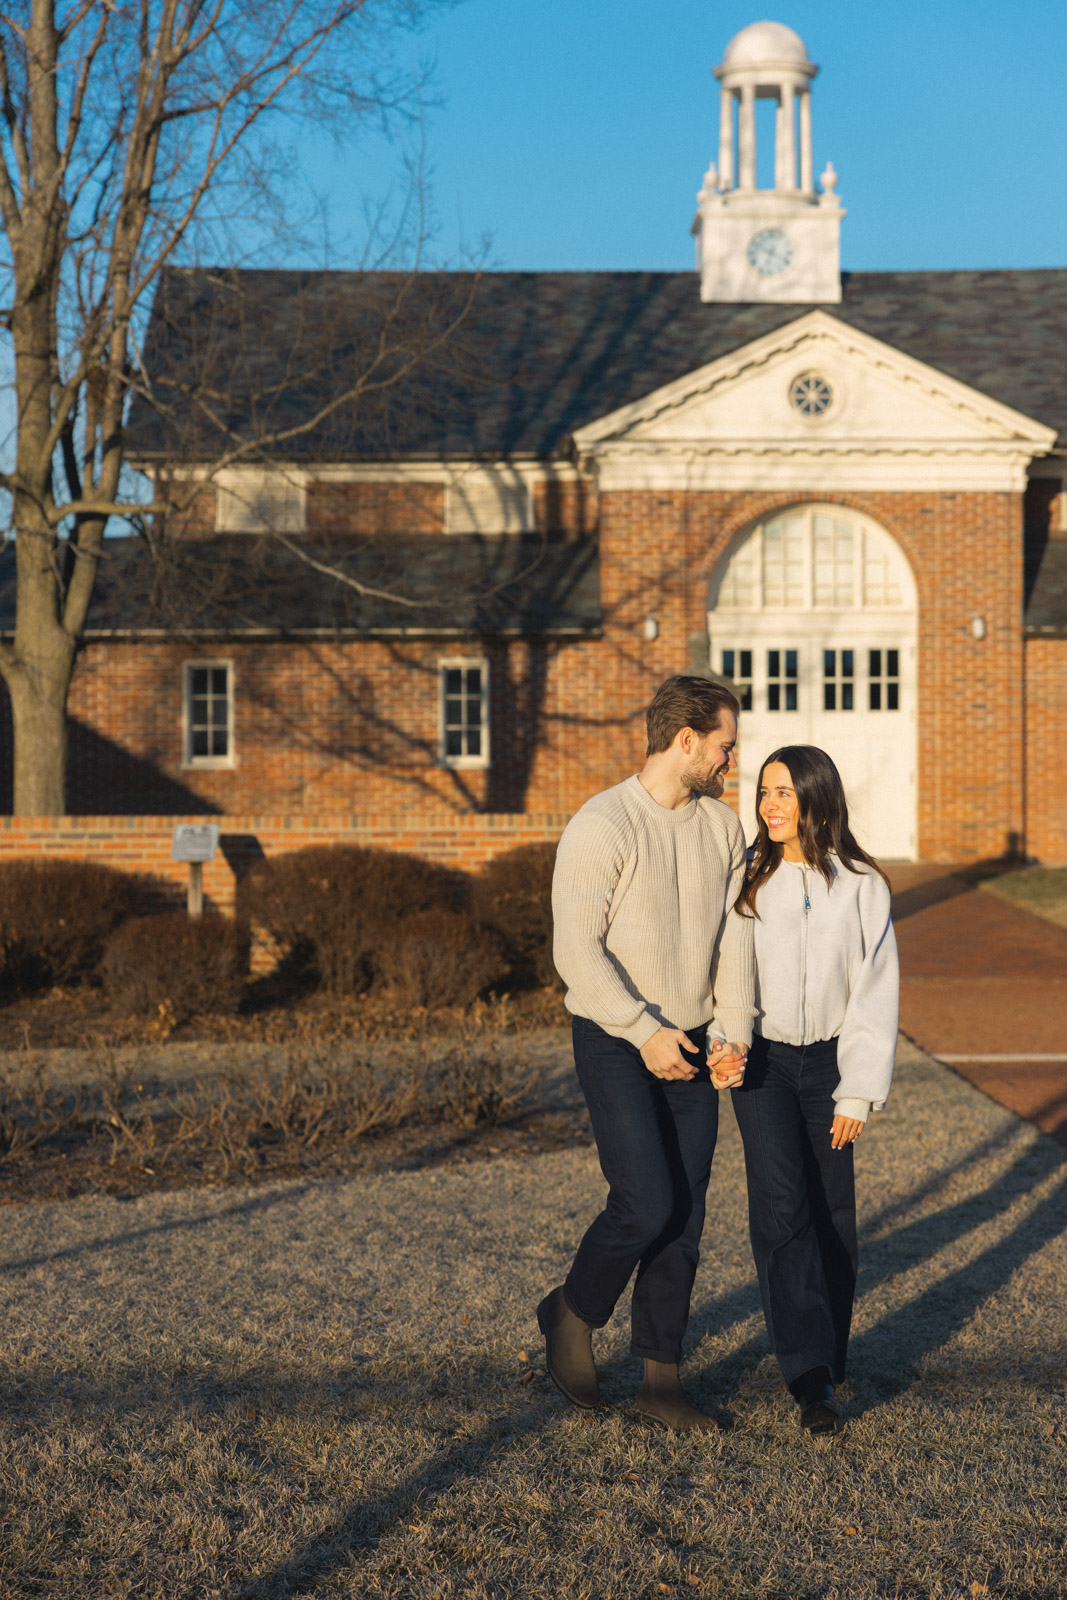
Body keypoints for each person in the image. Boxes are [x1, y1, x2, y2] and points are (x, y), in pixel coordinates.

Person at [538, 675, 753, 1433]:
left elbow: (734, 940)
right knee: (645, 1202)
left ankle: (661, 1383)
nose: (733, 759)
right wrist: (642, 1031)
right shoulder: (602, 825)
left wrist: (730, 1031)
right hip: (615, 1038)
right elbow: (576, 952)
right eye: (725, 744)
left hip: (692, 1042)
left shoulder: (721, 829)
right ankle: (570, 1312)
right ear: (685, 739)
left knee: (685, 1217)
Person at [727, 745, 899, 1434]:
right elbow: (725, 970)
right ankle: (808, 1381)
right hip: (761, 1069)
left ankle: (828, 1355)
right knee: (781, 1210)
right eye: (763, 792)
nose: (769, 805)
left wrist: (857, 1090)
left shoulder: (859, 883)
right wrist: (725, 1039)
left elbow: (873, 989)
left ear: (815, 798)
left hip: (830, 1067)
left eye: (782, 793)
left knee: (831, 1215)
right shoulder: (742, 877)